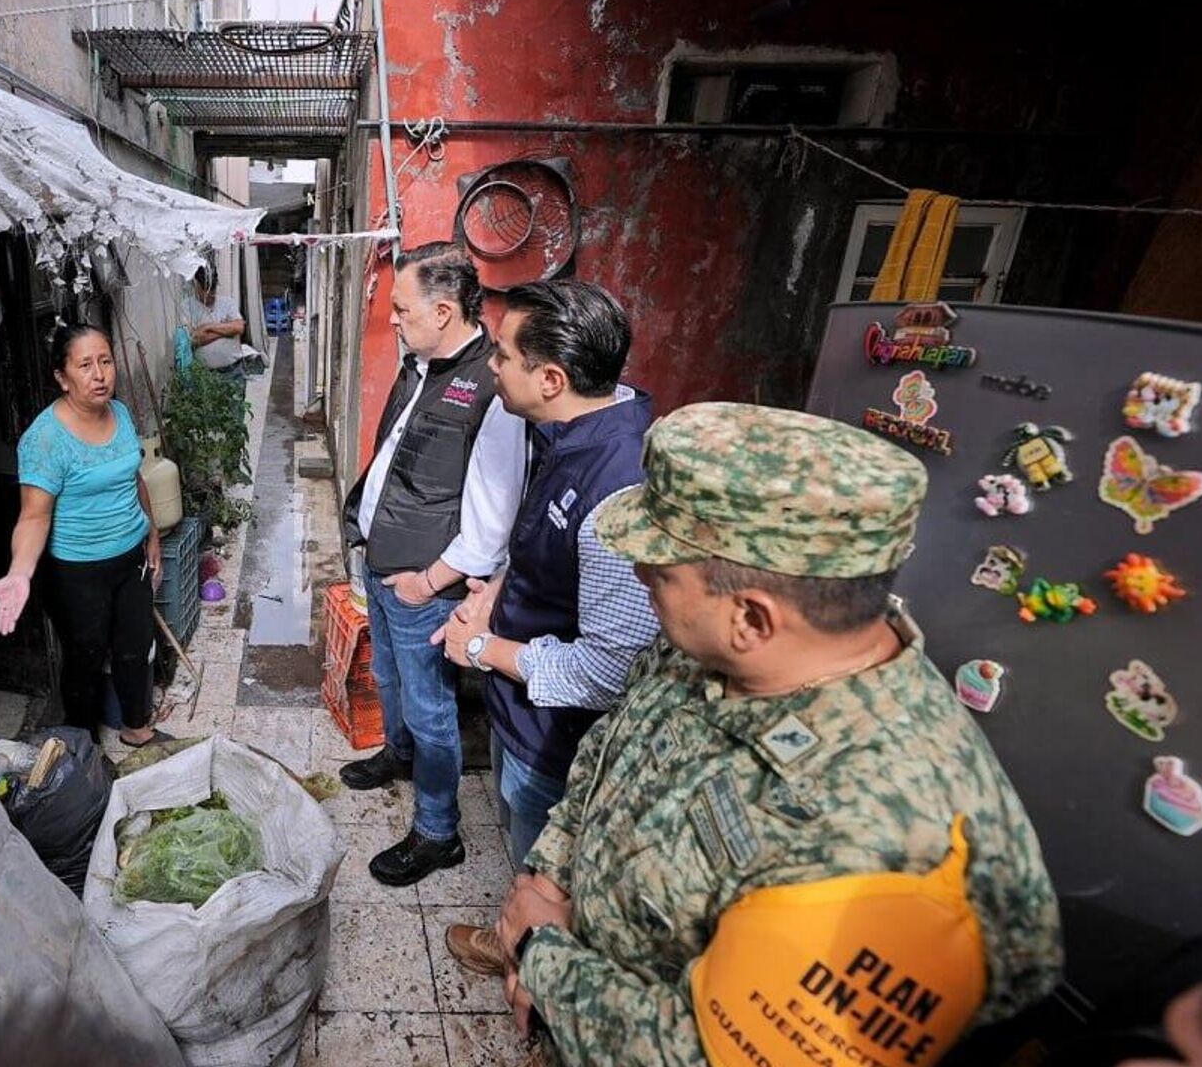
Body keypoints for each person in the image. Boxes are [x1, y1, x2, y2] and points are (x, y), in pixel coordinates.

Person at [492, 402, 1063, 1065]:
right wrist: (548, 879)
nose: (641, 575)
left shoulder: (887, 848)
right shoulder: (707, 644)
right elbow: (611, 750)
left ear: (754, 619)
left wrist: (542, 955)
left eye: (662, 568)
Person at [426, 279, 660, 974]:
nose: (491, 366)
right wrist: (495, 591)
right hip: (521, 705)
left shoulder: (618, 490)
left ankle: (539, 974)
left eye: (502, 355)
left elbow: (607, 669)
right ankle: (517, 936)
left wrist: (479, 646)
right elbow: (544, 551)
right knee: (519, 840)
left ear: (551, 378)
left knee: (545, 864)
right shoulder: (574, 432)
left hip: (556, 735)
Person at [338, 241, 526, 887]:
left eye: (401, 309)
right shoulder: (420, 363)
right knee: (391, 680)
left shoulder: (493, 393)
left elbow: (493, 524)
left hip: (427, 583)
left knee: (430, 707)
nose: (391, 319)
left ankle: (438, 830)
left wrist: (429, 582)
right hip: (386, 564)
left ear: (444, 311)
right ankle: (397, 755)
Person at [0, 324, 171, 748]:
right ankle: (85, 748)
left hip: (131, 558)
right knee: (84, 660)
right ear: (62, 377)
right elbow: (33, 518)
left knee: (135, 648)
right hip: (78, 571)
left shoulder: (119, 413)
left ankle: (136, 728)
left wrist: (151, 532)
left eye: (105, 361)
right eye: (85, 365)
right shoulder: (45, 440)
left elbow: (133, 477)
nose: (99, 374)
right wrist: (20, 572)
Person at [185, 265, 258, 375]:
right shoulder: (187, 307)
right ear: (197, 285)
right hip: (205, 375)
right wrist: (227, 331)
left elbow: (239, 327)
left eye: (213, 289)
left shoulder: (228, 303)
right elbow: (194, 339)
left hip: (233, 369)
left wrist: (207, 327)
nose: (211, 294)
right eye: (206, 290)